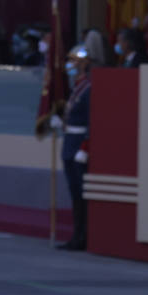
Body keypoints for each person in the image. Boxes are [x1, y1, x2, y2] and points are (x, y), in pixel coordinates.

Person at [56, 46, 93, 251]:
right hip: (70, 142)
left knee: (80, 192)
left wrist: (85, 147)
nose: (70, 65)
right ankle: (76, 234)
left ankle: (82, 236)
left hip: (79, 144)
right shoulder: (76, 86)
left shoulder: (89, 87)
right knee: (73, 191)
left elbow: (91, 120)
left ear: (84, 63)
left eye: (74, 61)